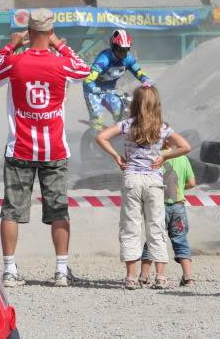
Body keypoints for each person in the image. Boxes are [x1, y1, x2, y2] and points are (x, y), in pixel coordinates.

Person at [0, 8, 91, 287]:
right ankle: (61, 271)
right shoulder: (61, 62)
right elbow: (85, 70)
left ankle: (9, 270)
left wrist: (10, 46)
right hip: (54, 148)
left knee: (11, 211)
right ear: (50, 32)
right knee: (59, 210)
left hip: (19, 148)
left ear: (29, 32)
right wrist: (60, 46)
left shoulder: (15, 61)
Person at [95, 85, 191, 290]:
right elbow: (185, 146)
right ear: (157, 104)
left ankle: (131, 277)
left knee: (130, 227)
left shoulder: (127, 125)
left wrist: (117, 157)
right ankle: (161, 277)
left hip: (132, 178)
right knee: (156, 227)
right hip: (154, 180)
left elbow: (101, 137)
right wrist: (164, 155)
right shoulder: (163, 128)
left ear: (134, 104)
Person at [139, 148, 196, 287]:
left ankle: (144, 277)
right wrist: (179, 188)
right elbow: (192, 183)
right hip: (178, 207)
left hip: (158, 206)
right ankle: (188, 277)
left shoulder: (153, 157)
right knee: (180, 240)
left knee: (153, 240)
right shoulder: (183, 158)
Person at [83, 29, 150, 131]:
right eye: (120, 49)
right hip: (93, 91)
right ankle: (95, 141)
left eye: (126, 49)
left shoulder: (128, 59)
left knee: (121, 114)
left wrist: (146, 80)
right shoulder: (104, 59)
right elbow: (88, 80)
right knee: (98, 117)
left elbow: (138, 72)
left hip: (110, 90)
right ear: (114, 47)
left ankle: (118, 139)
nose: (123, 53)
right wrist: (94, 88)